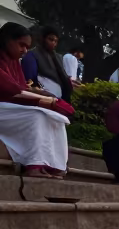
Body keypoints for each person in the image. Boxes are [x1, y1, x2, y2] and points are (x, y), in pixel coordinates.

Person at [0, 22, 74, 177]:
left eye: (27, 47)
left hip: (11, 107)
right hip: (3, 106)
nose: (24, 51)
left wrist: (44, 99)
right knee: (38, 115)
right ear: (7, 39)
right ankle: (34, 164)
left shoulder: (14, 61)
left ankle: (54, 165)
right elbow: (12, 88)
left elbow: (20, 88)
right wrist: (41, 99)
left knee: (56, 118)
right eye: (22, 45)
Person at [20, 26, 73, 103]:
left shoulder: (57, 57)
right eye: (51, 39)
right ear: (42, 38)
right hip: (42, 101)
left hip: (59, 101)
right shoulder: (32, 55)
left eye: (56, 41)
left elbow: (63, 78)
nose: (53, 43)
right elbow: (30, 81)